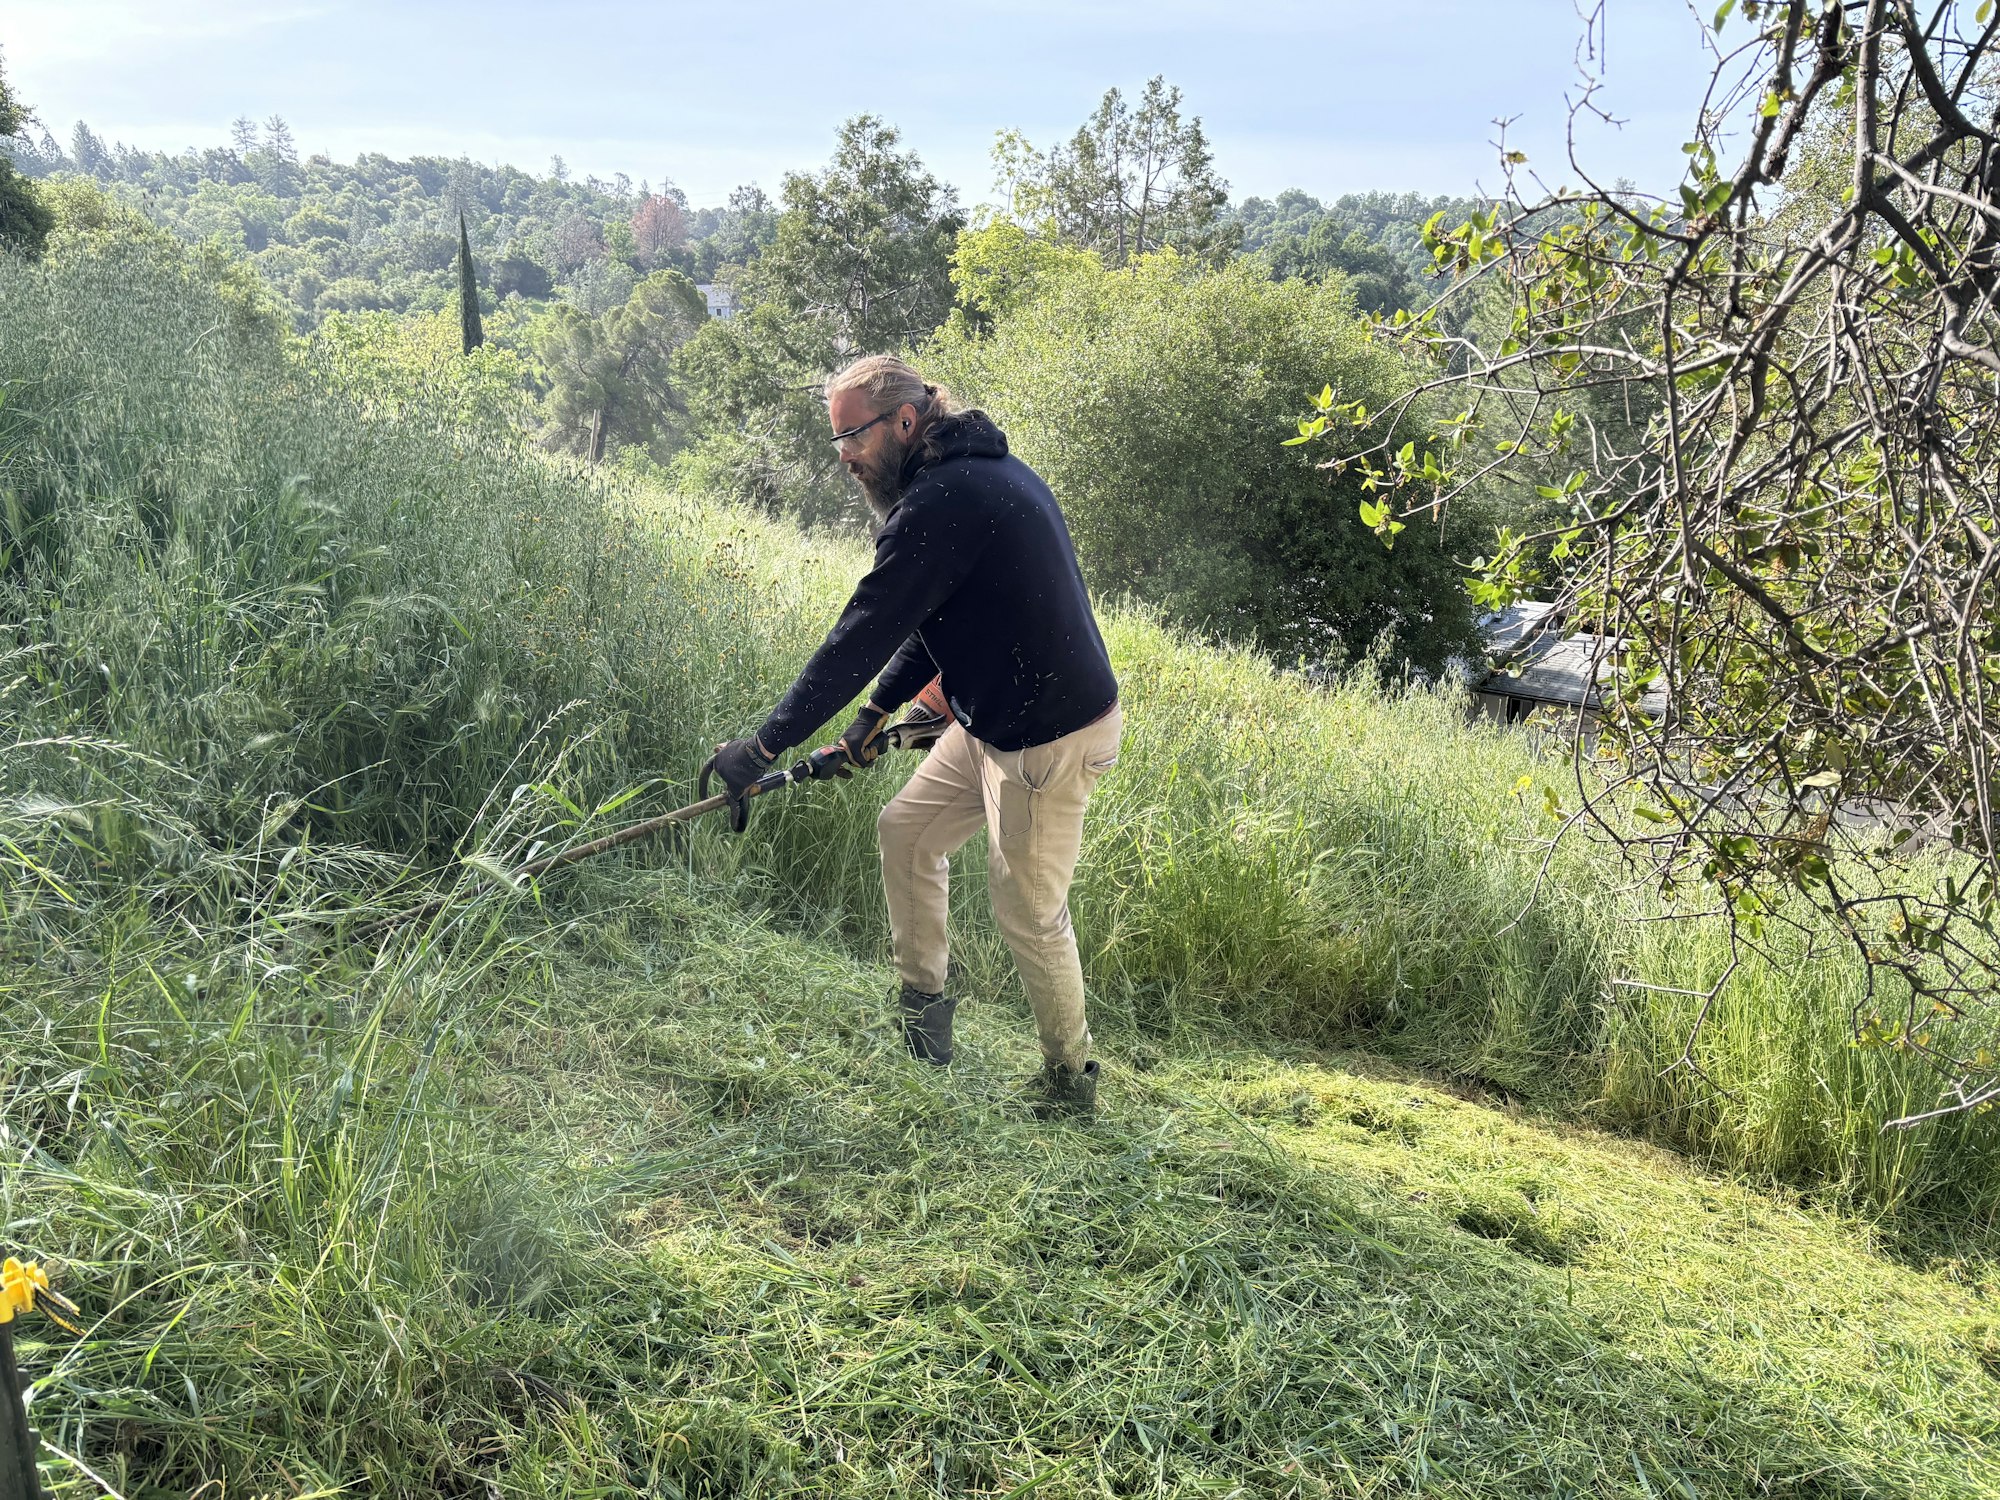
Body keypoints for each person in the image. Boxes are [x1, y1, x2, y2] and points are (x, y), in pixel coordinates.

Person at [706, 355, 1121, 1116]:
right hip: (992, 718)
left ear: (903, 422)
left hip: (1045, 735)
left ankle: (1071, 1082)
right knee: (906, 830)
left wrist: (761, 749)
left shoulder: (944, 501)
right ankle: (923, 1012)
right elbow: (930, 623)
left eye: (853, 436)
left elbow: (860, 636)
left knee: (1027, 909)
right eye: (836, 439)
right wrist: (871, 718)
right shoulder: (967, 479)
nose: (844, 457)